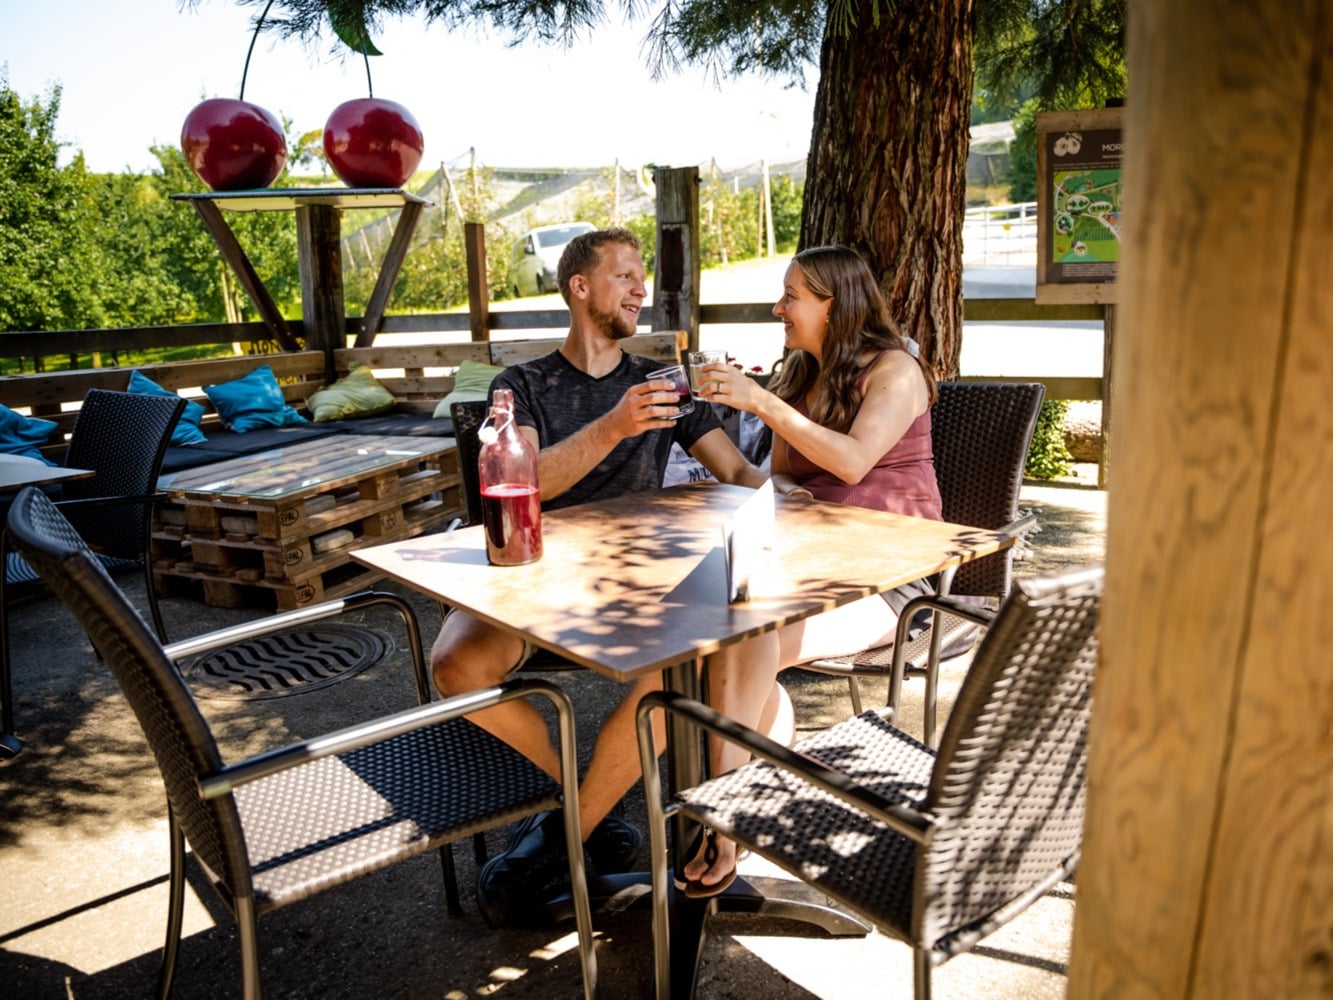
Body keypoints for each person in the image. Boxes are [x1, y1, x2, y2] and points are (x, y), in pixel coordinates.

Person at [431, 227, 784, 926]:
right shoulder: (521, 385)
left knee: (685, 664)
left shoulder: (662, 384)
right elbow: (523, 484)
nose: (640, 290)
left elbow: (737, 471)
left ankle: (567, 832)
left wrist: (786, 496)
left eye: (640, 277)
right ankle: (581, 802)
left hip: (633, 580)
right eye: (624, 275)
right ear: (579, 287)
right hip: (533, 572)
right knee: (455, 665)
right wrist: (613, 428)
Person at [680, 244, 942, 896]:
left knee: (748, 632)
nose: (778, 308)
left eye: (791, 295)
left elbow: (852, 461)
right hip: (806, 560)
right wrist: (780, 484)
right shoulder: (800, 374)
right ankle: (746, 790)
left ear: (834, 304)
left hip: (892, 578)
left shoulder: (896, 369)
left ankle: (721, 824)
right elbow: (774, 479)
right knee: (717, 625)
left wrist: (762, 404)